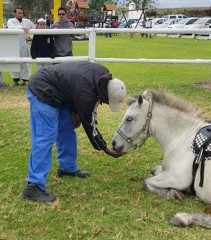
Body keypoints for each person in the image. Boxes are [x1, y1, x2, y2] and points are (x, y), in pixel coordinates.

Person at [22, 62, 127, 203]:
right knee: (45, 137)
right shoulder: (87, 93)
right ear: (105, 94)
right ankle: (33, 186)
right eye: (108, 101)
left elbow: (74, 86)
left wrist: (74, 111)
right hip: (43, 89)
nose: (107, 104)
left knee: (66, 129)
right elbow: (90, 123)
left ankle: (67, 167)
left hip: (59, 92)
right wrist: (105, 148)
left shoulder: (103, 76)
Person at [7, 7, 35, 86]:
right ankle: (15, 81)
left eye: (21, 13)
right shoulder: (11, 21)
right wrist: (22, 28)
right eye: (19, 13)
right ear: (15, 13)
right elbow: (11, 28)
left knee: (24, 62)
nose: (20, 14)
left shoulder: (27, 21)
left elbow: (34, 29)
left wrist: (31, 37)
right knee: (14, 62)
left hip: (24, 45)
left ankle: (24, 81)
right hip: (13, 45)